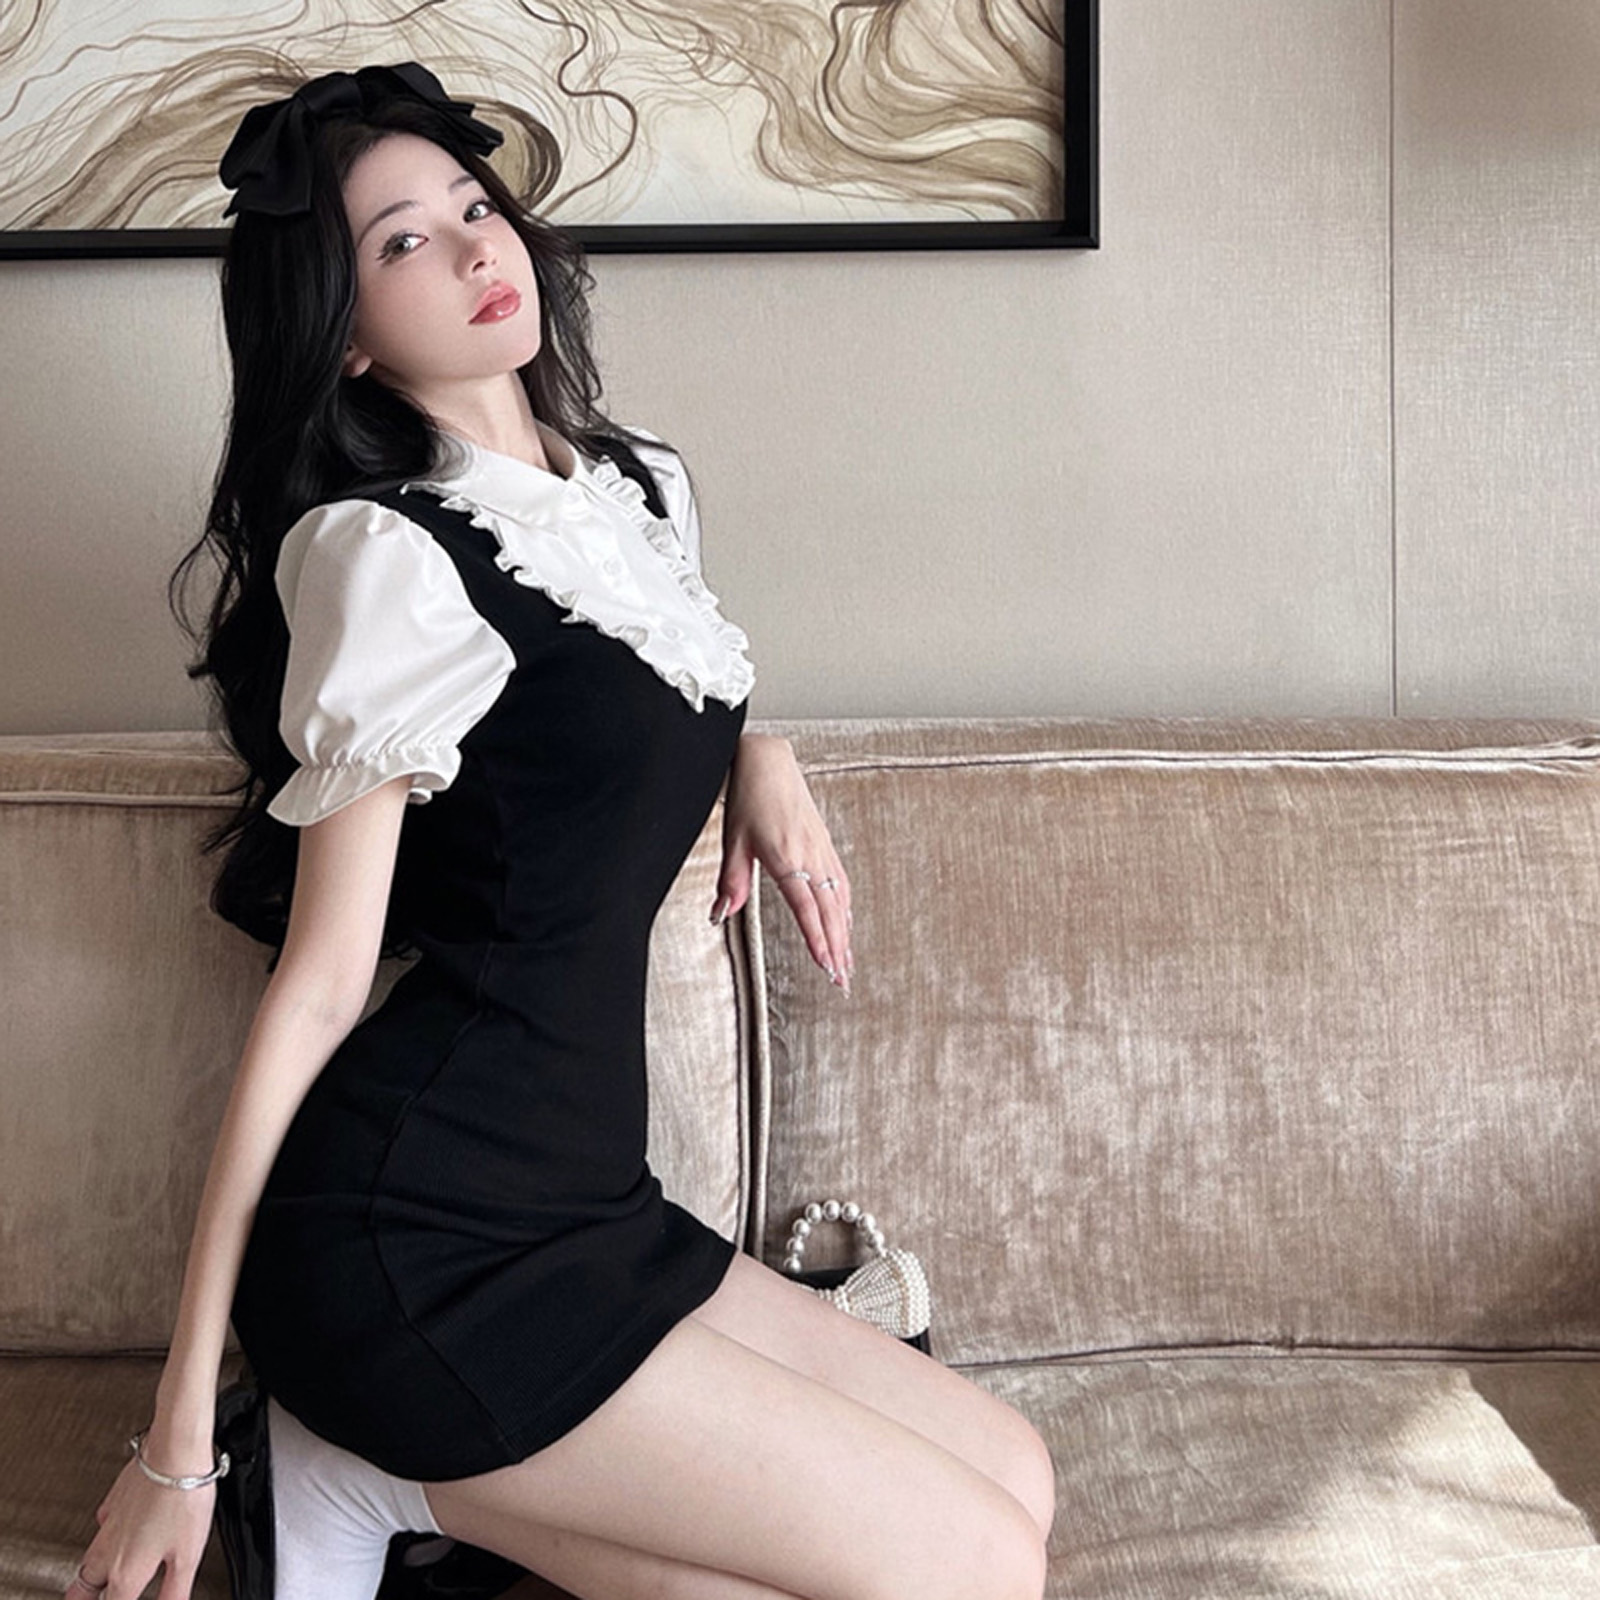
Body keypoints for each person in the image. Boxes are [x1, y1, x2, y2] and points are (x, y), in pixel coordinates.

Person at [68, 63, 1055, 1600]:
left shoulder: (641, 491)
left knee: (1018, 1481)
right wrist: (176, 1437)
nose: (476, 247)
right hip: (411, 1236)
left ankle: (376, 1480)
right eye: (403, 241)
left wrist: (756, 748)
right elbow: (317, 993)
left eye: (475, 206)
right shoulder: (382, 555)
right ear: (343, 329)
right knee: (974, 1565)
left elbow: (613, 719)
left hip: (585, 1202)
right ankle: (328, 1444)